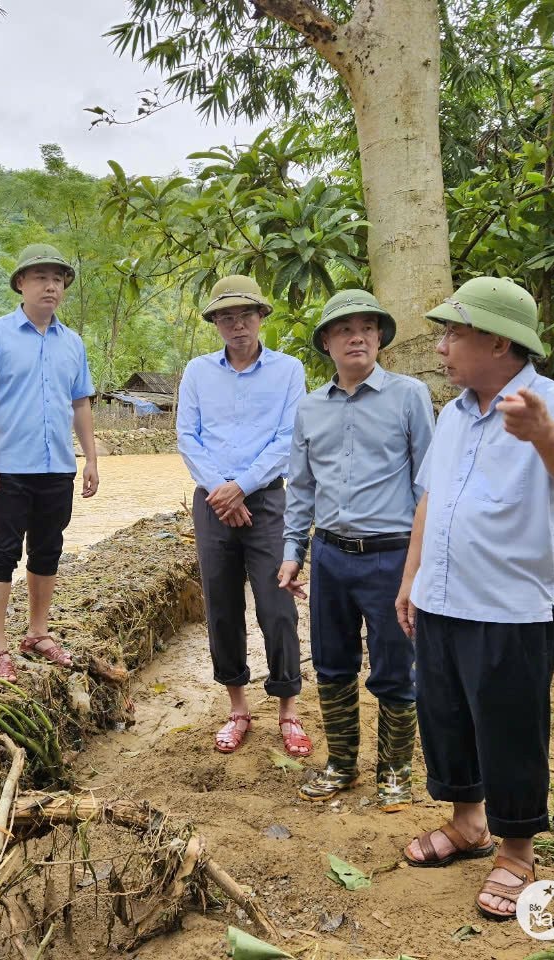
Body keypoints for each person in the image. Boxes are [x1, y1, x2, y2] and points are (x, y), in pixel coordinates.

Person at [394, 277, 554, 919]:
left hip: (510, 609)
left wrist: (541, 433)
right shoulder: (451, 414)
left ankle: (516, 852)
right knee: (446, 716)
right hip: (441, 599)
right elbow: (432, 496)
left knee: (510, 730)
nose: (442, 346)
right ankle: (467, 823)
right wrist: (411, 578)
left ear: (498, 342)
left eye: (454, 333)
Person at [277, 290, 433, 807]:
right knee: (331, 661)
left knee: (395, 663)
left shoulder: (408, 396)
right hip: (330, 555)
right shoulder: (309, 408)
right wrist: (293, 549)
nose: (357, 336)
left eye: (368, 327)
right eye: (344, 329)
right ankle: (341, 762)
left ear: (381, 338)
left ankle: (395, 770)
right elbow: (300, 487)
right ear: (327, 342)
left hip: (392, 553)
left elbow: (426, 483)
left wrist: (421, 560)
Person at [177, 275, 309, 757]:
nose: (237, 325)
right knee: (222, 608)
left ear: (261, 318)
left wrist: (242, 487)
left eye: (245, 315)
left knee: (277, 608)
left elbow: (288, 437)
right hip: (213, 505)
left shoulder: (288, 370)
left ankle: (288, 711)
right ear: (215, 323)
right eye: (226, 317)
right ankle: (237, 707)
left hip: (269, 501)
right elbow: (187, 437)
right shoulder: (197, 372)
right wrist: (220, 491)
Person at [0, 243, 99, 683]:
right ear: (21, 283)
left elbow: (80, 404)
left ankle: (38, 632)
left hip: (57, 466)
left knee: (48, 548)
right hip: (8, 467)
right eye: (40, 277)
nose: (50, 286)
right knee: (2, 551)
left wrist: (91, 458)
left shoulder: (72, 343)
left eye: (58, 279)